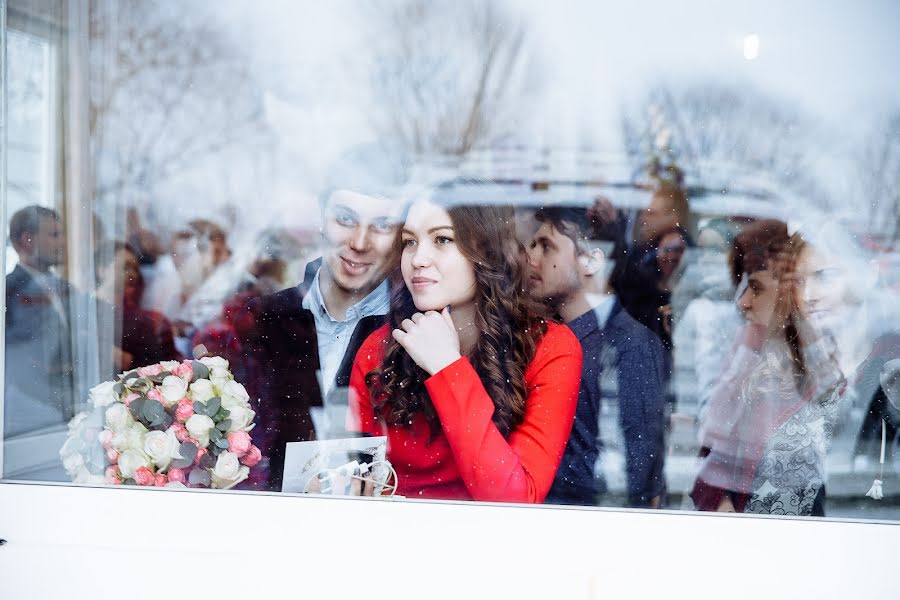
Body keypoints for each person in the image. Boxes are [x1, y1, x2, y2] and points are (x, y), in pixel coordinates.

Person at [347, 190, 583, 503]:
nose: (418, 259)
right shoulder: (379, 349)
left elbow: (514, 501)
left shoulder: (551, 348)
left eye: (442, 240)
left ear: (486, 250)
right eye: (410, 242)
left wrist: (447, 367)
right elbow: (357, 486)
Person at [237, 144, 413, 491]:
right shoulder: (262, 319)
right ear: (321, 218)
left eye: (381, 225)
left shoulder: (413, 332)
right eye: (345, 219)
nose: (359, 242)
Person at [692, 220, 845, 516]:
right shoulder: (751, 346)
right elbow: (714, 435)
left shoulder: (818, 357)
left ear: (788, 290)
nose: (744, 303)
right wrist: (720, 498)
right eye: (742, 287)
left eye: (755, 288)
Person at [526, 207, 668, 507]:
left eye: (546, 246)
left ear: (591, 260)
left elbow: (631, 471)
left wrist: (529, 464)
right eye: (533, 244)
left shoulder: (629, 344)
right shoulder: (546, 335)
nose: (532, 257)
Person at [4, 205, 75, 439]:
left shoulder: (66, 289)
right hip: (32, 418)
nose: (63, 242)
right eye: (54, 235)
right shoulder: (8, 291)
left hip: (69, 407)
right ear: (27, 240)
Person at [94, 240, 180, 377]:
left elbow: (156, 365)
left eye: (135, 269)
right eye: (125, 267)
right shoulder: (85, 310)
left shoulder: (139, 320)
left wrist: (126, 359)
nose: (132, 274)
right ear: (102, 269)